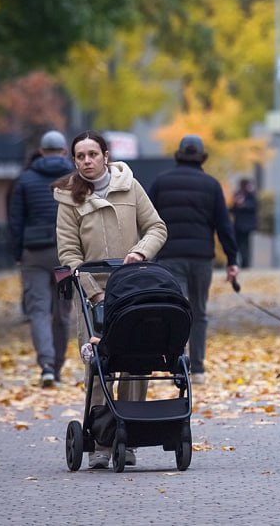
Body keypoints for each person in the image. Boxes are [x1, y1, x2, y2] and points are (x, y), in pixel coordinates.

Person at [53, 130, 167, 468]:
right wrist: (93, 289)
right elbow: (69, 254)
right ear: (74, 161)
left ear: (105, 155)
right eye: (80, 156)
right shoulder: (68, 200)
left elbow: (156, 228)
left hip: (133, 290)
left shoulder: (130, 187)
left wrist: (139, 252)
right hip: (93, 296)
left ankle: (129, 435)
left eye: (92, 154)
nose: (87, 161)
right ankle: (102, 441)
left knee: (136, 363)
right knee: (99, 366)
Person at [148, 135, 240, 386]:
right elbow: (224, 225)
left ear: (178, 155)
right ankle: (198, 369)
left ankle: (178, 366)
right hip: (201, 259)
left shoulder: (160, 183)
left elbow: (146, 220)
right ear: (202, 158)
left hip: (169, 258)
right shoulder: (211, 185)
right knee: (198, 312)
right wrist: (232, 260)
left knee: (175, 312)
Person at [7, 130, 75, 387]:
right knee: (62, 312)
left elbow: (15, 222)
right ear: (64, 151)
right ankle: (57, 366)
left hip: (34, 254)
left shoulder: (25, 180)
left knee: (38, 310)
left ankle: (46, 365)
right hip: (65, 255)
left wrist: (18, 254)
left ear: (41, 151)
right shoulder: (75, 178)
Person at [229, 178, 258, 269]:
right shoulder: (238, 194)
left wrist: (242, 204)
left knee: (245, 245)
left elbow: (253, 206)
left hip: (245, 226)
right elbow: (234, 208)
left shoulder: (251, 195)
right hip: (239, 225)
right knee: (239, 244)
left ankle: (245, 263)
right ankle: (240, 262)